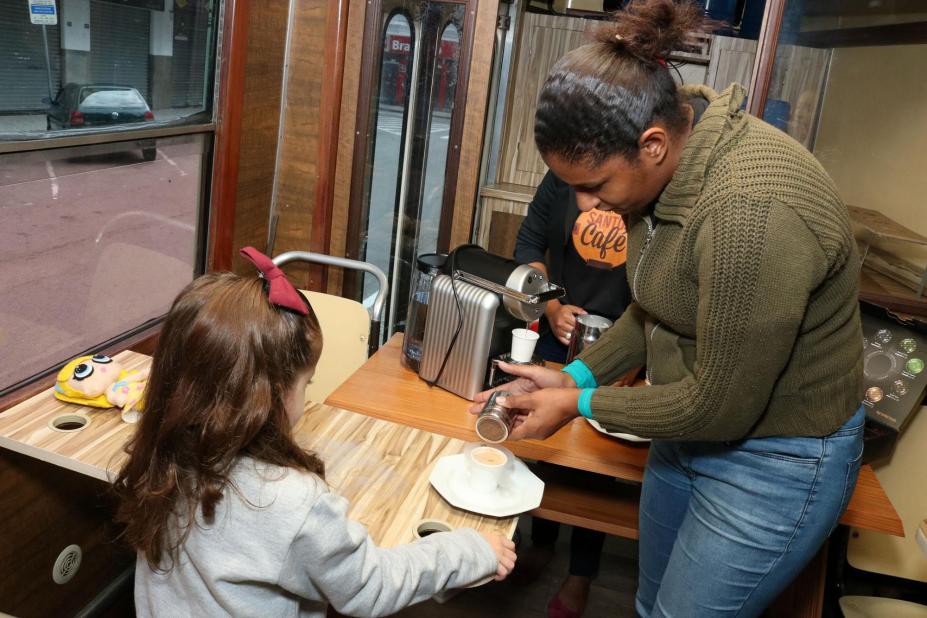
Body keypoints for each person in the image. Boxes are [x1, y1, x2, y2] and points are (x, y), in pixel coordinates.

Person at [472, 1, 865, 616]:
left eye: (594, 185)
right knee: (651, 601)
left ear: (652, 144)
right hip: (688, 432)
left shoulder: (749, 213)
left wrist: (576, 404)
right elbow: (653, 310)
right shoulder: (668, 173)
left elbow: (723, 403)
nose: (583, 204)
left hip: (776, 457)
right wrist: (576, 374)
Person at [114, 247, 516, 617]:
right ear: (266, 397)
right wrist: (470, 550)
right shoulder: (292, 502)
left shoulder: (159, 453)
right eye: (306, 385)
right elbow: (370, 585)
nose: (306, 400)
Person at [514, 170, 633, 618]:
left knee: (599, 456)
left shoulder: (636, 182)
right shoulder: (562, 178)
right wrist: (551, 305)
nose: (587, 200)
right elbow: (528, 246)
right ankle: (541, 543)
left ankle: (581, 572)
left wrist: (632, 345)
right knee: (545, 441)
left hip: (621, 344)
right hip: (556, 334)